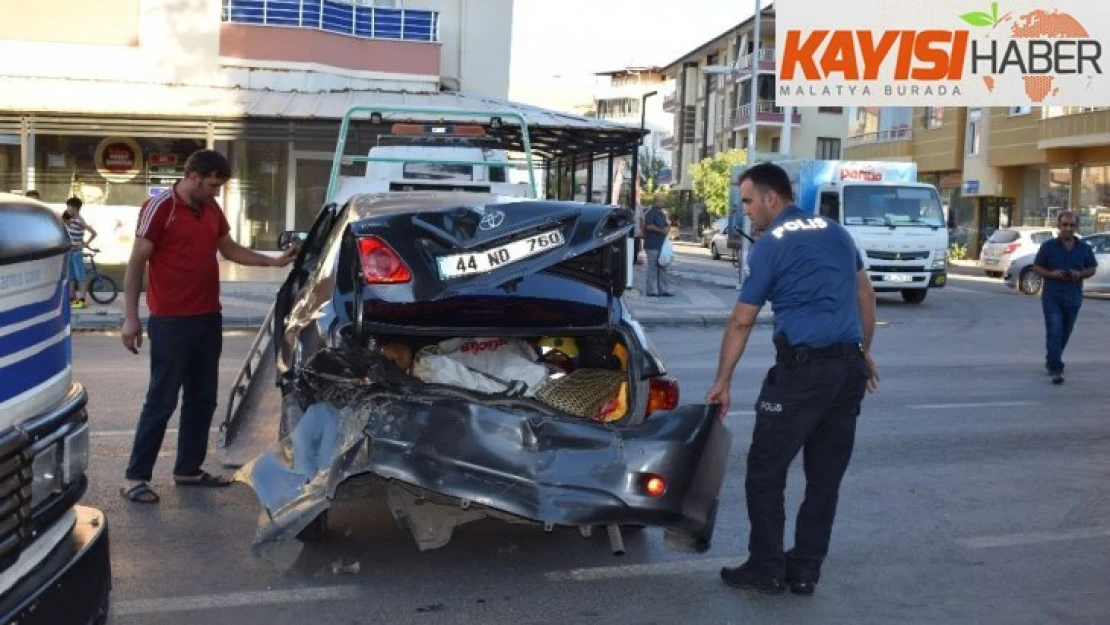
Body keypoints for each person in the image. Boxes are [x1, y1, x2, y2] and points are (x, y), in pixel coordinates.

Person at [705, 163, 880, 595]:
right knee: (824, 478)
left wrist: (722, 381)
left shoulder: (769, 245)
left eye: (748, 201)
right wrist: (865, 352)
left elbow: (742, 321)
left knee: (765, 471)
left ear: (771, 198)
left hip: (804, 372)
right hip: (847, 372)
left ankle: (766, 566)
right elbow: (864, 294)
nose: (746, 212)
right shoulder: (836, 232)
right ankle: (804, 571)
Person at [119, 149, 297, 504]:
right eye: (213, 184)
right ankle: (134, 477)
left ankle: (188, 469)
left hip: (207, 317)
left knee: (202, 398)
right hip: (171, 320)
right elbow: (136, 262)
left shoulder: (211, 209)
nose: (216, 192)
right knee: (162, 400)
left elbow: (230, 250)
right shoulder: (161, 208)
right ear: (194, 176)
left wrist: (274, 261)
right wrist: (131, 317)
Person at [1032, 210, 1097, 385]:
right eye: (1065, 225)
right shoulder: (1048, 247)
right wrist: (1052, 274)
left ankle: (1052, 359)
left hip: (1073, 297)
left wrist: (1079, 273)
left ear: (1076, 227)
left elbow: (1092, 268)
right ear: (1058, 226)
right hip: (1052, 296)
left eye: (1072, 225)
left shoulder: (1084, 248)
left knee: (1065, 333)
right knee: (1054, 331)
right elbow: (1037, 268)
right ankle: (1056, 368)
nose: (1068, 228)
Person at [63, 197, 97, 309]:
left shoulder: (79, 221)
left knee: (80, 277)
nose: (67, 209)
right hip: (69, 252)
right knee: (71, 277)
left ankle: (82, 300)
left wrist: (84, 244)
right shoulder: (70, 219)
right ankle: (72, 298)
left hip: (77, 252)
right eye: (67, 207)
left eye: (69, 207)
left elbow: (93, 233)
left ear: (76, 208)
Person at [642, 194, 673, 297]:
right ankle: (651, 290)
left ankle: (663, 290)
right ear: (654, 202)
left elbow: (666, 225)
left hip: (661, 245)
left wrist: (667, 228)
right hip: (652, 244)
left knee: (663, 267)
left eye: (662, 201)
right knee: (652, 268)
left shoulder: (662, 214)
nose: (660, 203)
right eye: (659, 201)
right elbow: (649, 226)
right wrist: (661, 231)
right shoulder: (651, 213)